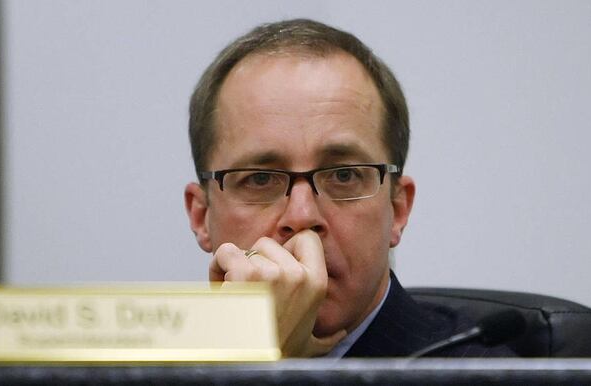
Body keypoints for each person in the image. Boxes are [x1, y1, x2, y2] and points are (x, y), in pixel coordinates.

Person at [184, 19, 512, 358]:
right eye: (260, 179)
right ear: (201, 216)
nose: (302, 216)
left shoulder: (482, 372)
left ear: (398, 209)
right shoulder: (145, 363)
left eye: (343, 175)